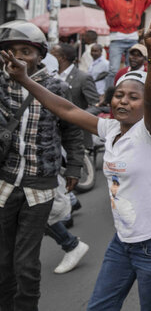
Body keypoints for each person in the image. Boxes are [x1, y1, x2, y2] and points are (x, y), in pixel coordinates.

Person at [2, 10, 151, 311]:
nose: (123, 100)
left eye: (132, 97)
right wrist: (24, 79)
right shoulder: (109, 128)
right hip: (123, 242)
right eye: (119, 95)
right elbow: (67, 110)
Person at [0, 20, 84, 311]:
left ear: (40, 55)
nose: (18, 57)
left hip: (40, 184)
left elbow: (73, 128)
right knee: (2, 260)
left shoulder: (56, 86)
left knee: (25, 263)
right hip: (4, 182)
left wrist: (74, 166)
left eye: (26, 51)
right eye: (11, 50)